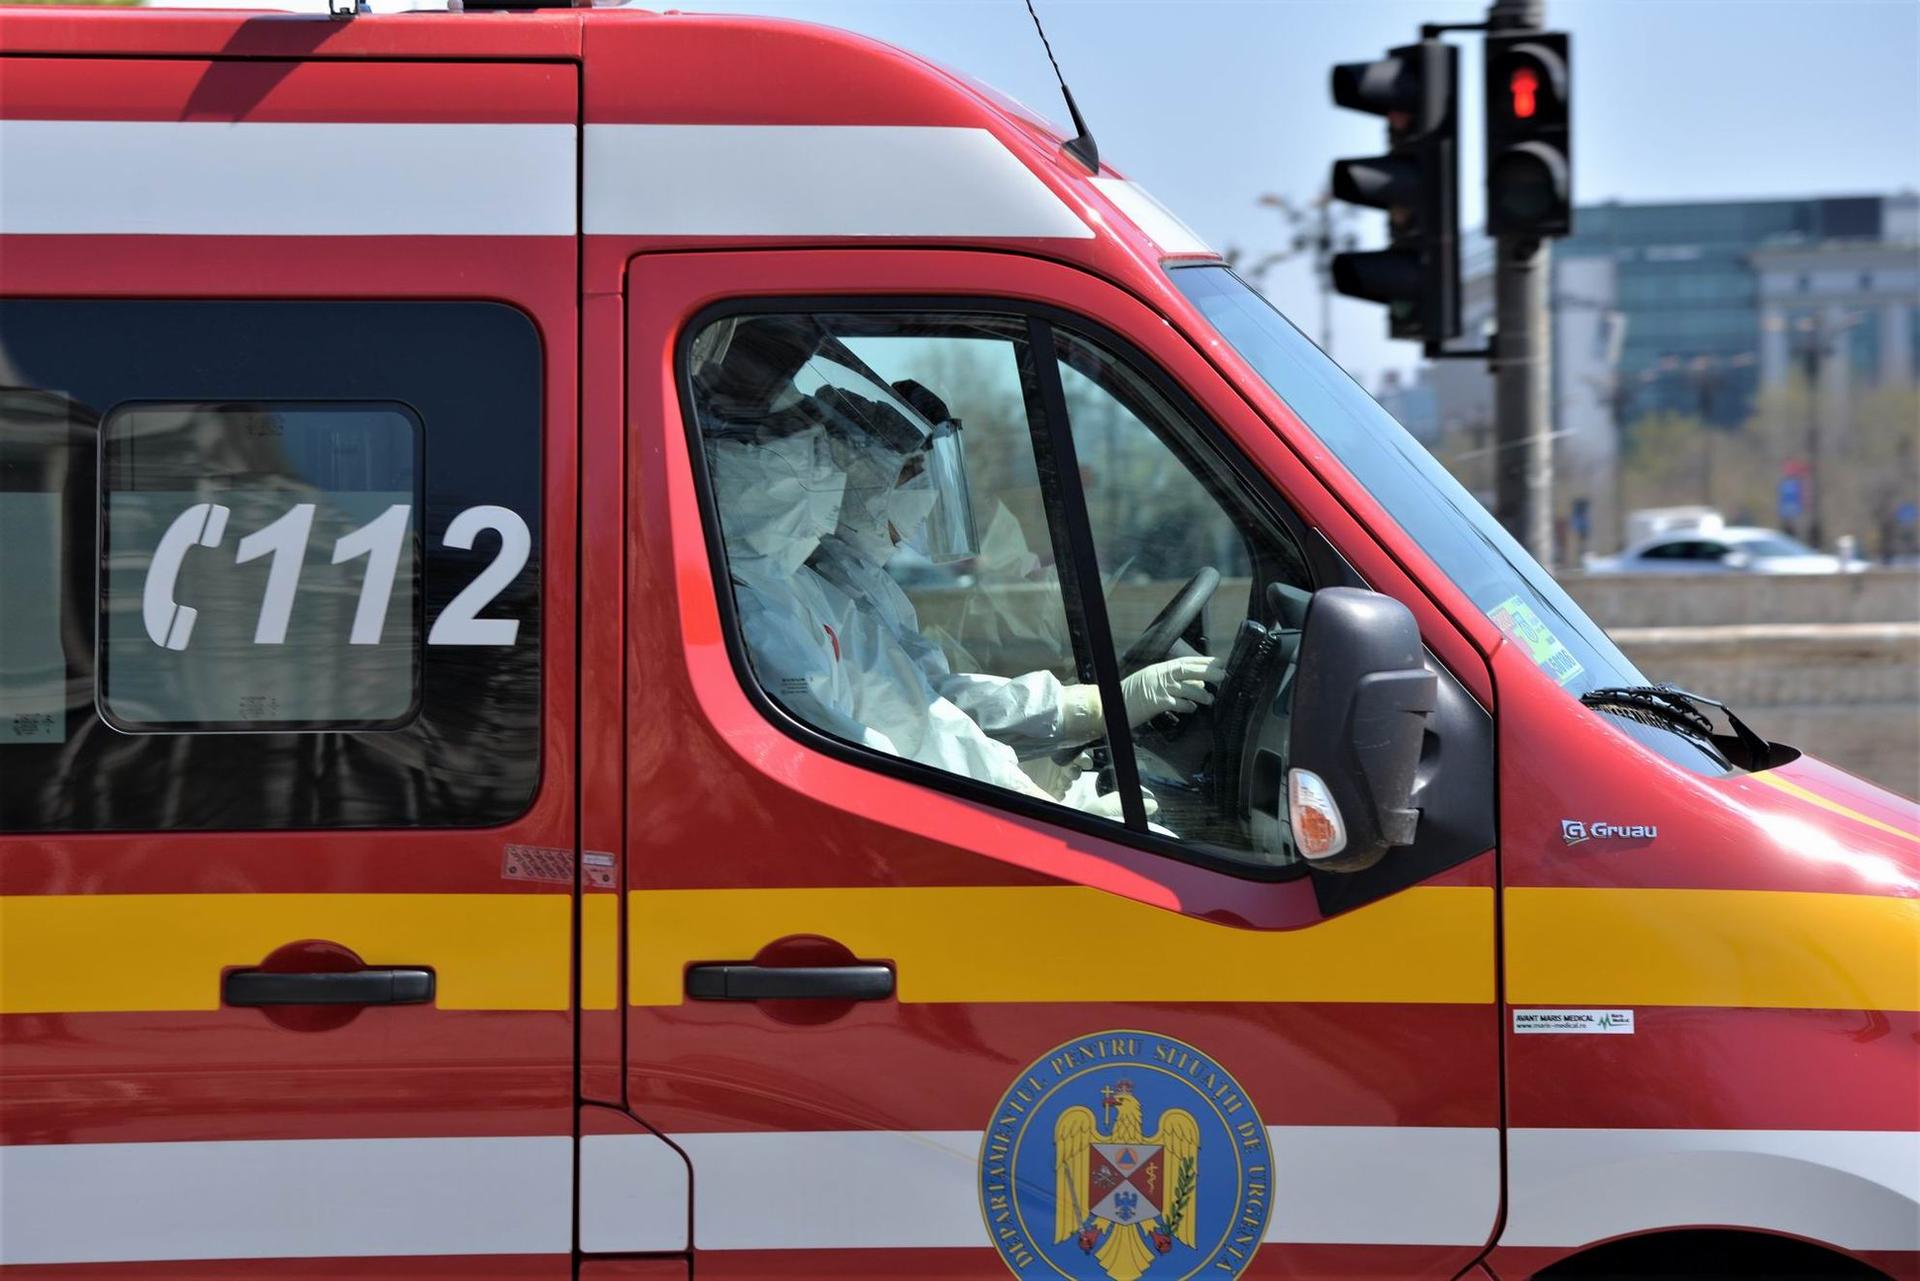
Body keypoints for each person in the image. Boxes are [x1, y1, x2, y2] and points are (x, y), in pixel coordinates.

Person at [811, 378, 1224, 758]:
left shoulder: (861, 581)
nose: (929, 495)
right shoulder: (821, 586)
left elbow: (935, 698)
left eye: (932, 475)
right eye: (913, 473)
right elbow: (930, 715)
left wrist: (1087, 710)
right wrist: (1093, 709)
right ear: (864, 474)